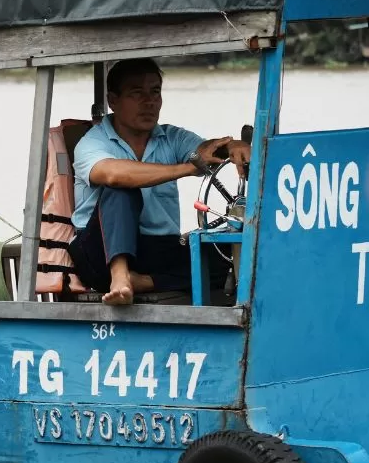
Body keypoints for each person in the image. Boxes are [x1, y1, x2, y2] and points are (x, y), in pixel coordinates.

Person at [68, 58, 251, 306]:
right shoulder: (92, 142)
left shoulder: (171, 137)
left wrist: (234, 146)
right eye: (137, 93)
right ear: (113, 101)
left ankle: (142, 281)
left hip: (157, 250)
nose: (149, 102)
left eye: (155, 92)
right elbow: (113, 174)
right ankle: (120, 276)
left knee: (228, 257)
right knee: (122, 190)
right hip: (101, 252)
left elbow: (206, 150)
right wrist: (186, 168)